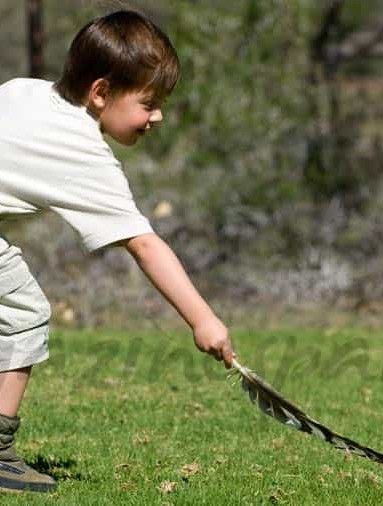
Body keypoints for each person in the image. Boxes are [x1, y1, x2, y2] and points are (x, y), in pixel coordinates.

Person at [0, 9, 235, 493]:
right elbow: (144, 244)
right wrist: (203, 320)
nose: (158, 117)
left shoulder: (26, 89)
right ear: (101, 92)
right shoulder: (83, 154)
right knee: (24, 314)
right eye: (148, 103)